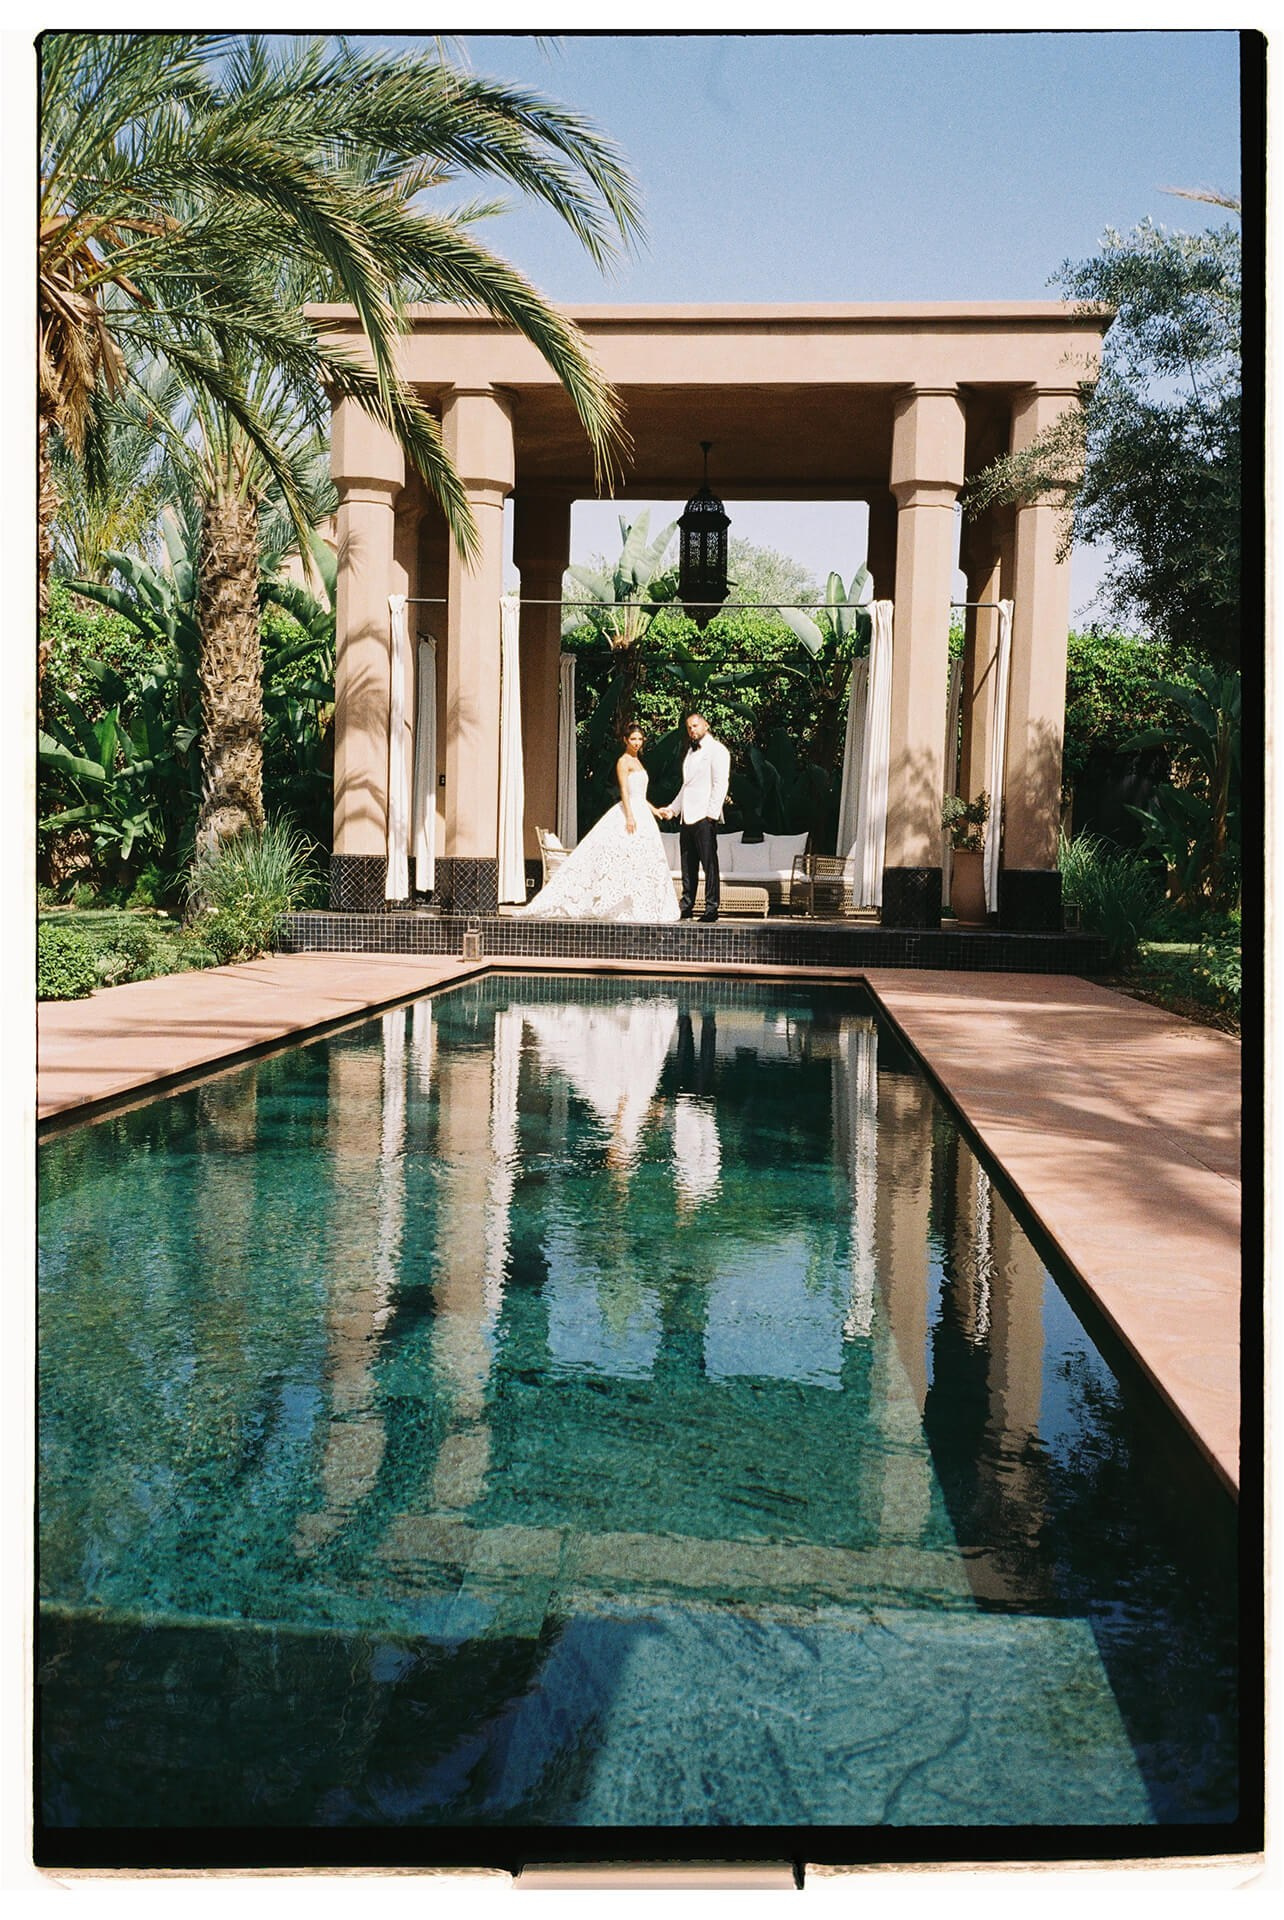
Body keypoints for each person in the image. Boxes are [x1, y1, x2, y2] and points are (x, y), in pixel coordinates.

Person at [516, 723, 680, 923]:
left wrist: (656, 811)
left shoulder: (638, 761)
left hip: (642, 814)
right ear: (625, 740)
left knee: (642, 859)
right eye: (633, 739)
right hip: (629, 812)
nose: (637, 743)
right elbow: (625, 792)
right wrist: (629, 816)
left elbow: (640, 795)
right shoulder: (623, 761)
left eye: (639, 739)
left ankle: (638, 903)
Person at [659, 712, 731, 921]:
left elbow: (720, 783)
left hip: (704, 816)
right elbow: (686, 786)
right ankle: (687, 904)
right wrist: (673, 809)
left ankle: (711, 907)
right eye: (689, 727)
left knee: (709, 864)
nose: (692, 730)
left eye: (696, 726)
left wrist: (711, 814)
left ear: (706, 726)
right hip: (687, 816)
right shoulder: (690, 754)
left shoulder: (717, 750)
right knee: (687, 864)